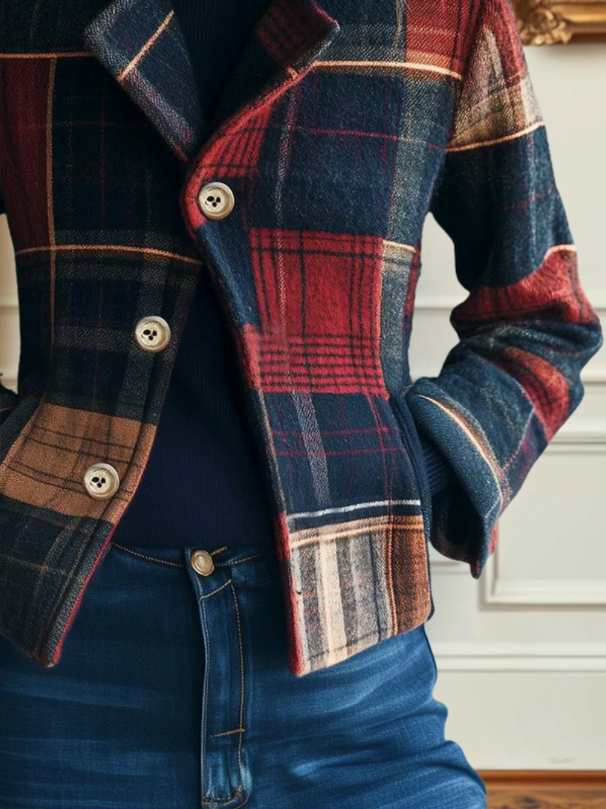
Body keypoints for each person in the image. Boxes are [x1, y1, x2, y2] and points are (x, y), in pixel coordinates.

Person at [0, 0, 601, 806]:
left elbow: (542, 315)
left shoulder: (445, 12)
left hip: (355, 681)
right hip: (57, 663)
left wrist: (413, 469)